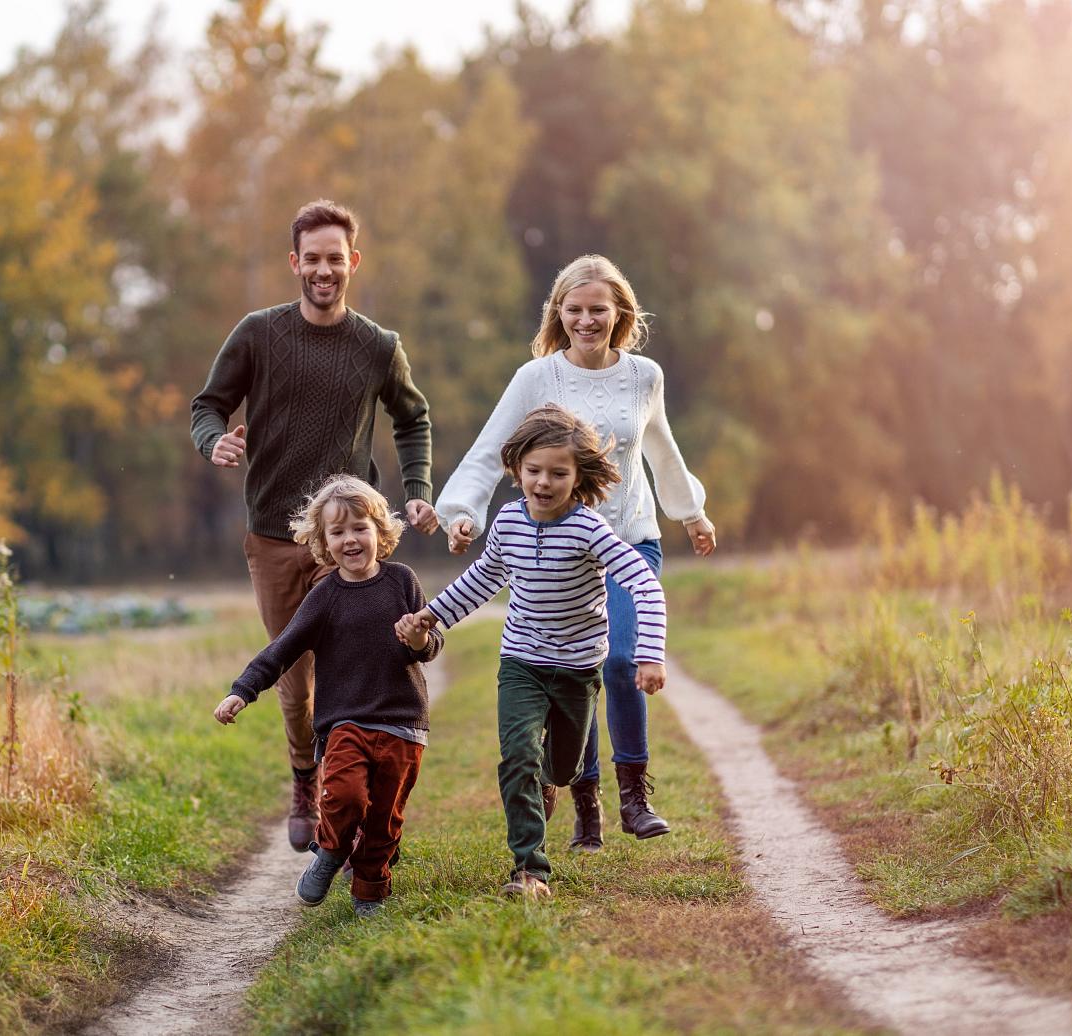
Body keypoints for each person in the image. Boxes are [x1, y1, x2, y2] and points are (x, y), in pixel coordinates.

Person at [434, 255, 714, 851]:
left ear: (620, 314)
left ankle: (635, 793)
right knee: (574, 668)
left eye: (598, 310)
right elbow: (492, 449)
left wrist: (691, 513)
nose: (587, 320)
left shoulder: (644, 375)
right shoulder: (537, 377)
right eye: (575, 309)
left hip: (630, 535)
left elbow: (660, 449)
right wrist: (462, 512)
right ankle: (587, 803)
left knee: (619, 659)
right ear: (559, 312)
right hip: (561, 544)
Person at [192, 200, 440, 852]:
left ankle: (344, 782)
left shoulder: (378, 346)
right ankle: (306, 776)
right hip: (274, 534)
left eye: (336, 258)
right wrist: (214, 439)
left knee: (355, 665)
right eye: (313, 258)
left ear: (352, 262)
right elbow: (208, 405)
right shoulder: (257, 334)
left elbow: (412, 419)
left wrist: (416, 492)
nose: (324, 270)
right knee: (295, 676)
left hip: (346, 539)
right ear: (294, 263)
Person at [398, 405, 665, 899]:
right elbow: (483, 579)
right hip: (521, 660)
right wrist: (431, 615)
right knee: (517, 755)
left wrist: (649, 653)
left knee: (560, 768)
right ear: (516, 468)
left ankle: (552, 786)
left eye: (558, 473)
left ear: (578, 475)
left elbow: (644, 585)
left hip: (578, 667)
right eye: (534, 471)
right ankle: (530, 870)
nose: (544, 482)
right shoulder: (508, 521)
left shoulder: (589, 529)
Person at [215, 476, 441, 918]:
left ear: (381, 531)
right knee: (344, 797)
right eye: (337, 533)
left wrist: (418, 639)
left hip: (404, 724)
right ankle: (332, 853)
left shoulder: (402, 581)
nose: (350, 540)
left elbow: (431, 647)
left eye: (360, 527)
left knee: (384, 819)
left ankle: (369, 891)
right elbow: (282, 649)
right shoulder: (325, 597)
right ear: (323, 542)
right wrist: (242, 691)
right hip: (345, 723)